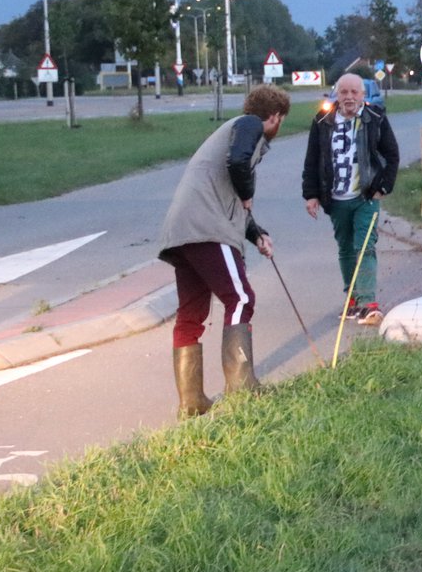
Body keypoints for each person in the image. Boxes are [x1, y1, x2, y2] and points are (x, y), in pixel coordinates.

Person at [158, 83, 292, 418]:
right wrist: (247, 191)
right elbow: (237, 165)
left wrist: (257, 233)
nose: (279, 127)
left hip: (184, 231)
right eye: (281, 120)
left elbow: (233, 197)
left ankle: (192, 404)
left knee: (191, 314)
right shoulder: (248, 125)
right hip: (207, 229)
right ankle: (241, 386)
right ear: (274, 116)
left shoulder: (234, 137)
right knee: (241, 298)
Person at [302, 72, 401, 325]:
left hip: (366, 196)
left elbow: (392, 155)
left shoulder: (375, 119)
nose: (348, 97)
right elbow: (312, 160)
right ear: (337, 94)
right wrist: (311, 195)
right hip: (335, 199)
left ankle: (368, 303)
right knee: (346, 249)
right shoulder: (322, 120)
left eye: (354, 92)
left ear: (362, 95)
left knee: (364, 245)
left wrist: (384, 187)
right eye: (343, 92)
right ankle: (353, 300)